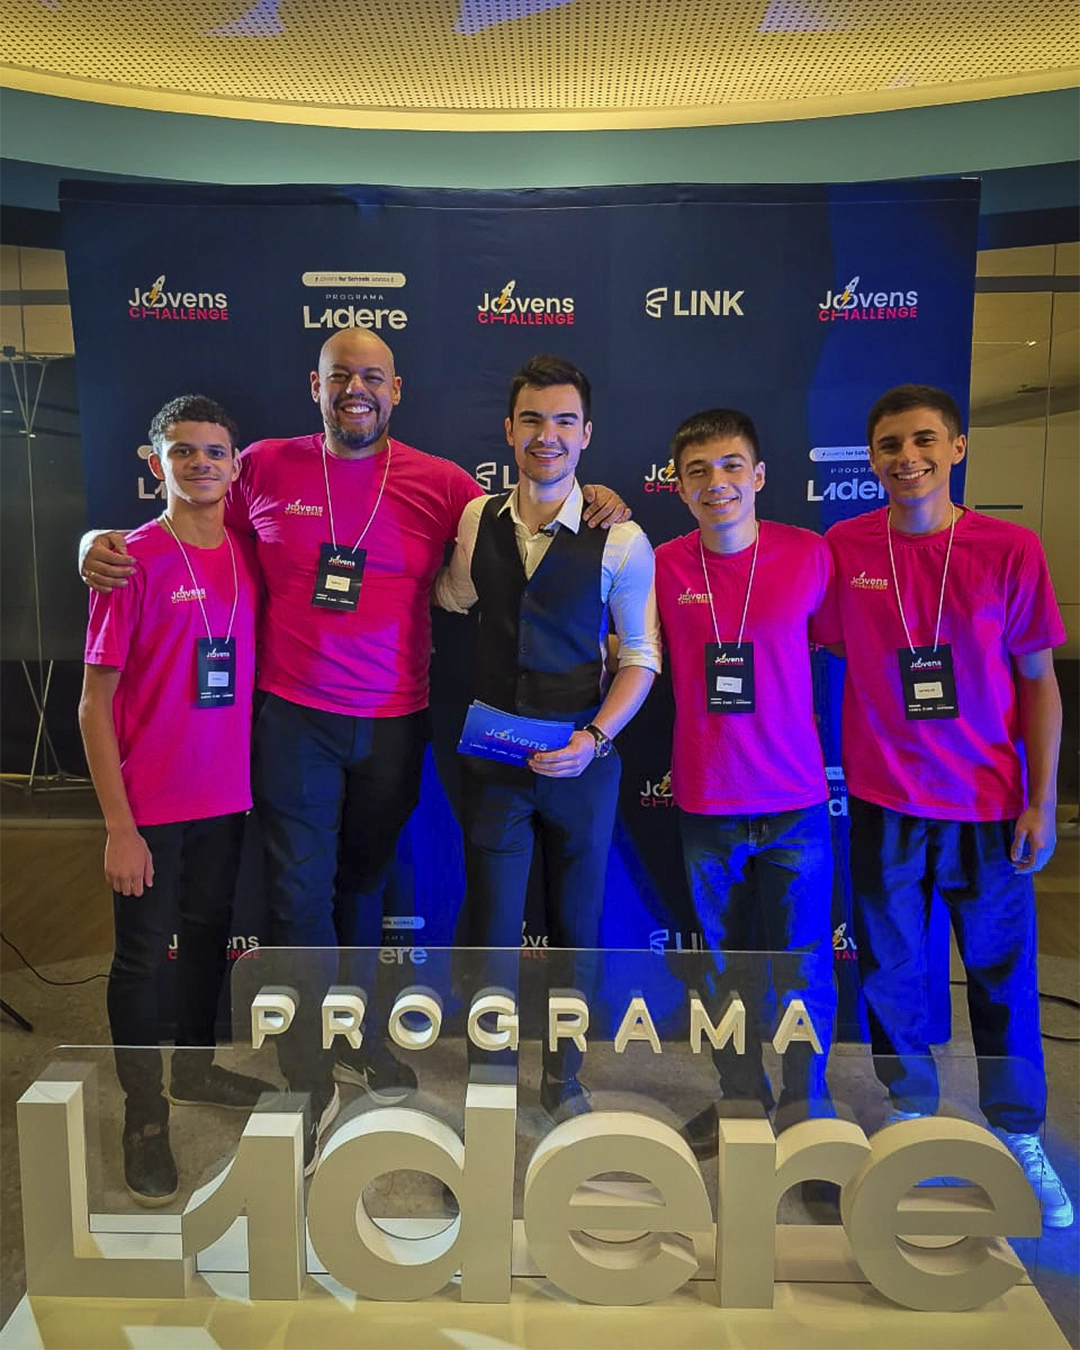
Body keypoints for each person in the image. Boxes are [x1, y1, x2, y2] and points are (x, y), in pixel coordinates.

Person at [81, 330, 627, 1166]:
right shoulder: (263, 464)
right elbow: (184, 513)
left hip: (395, 722)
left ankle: (352, 1033)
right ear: (317, 386)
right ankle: (306, 1075)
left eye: (372, 377)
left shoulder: (443, 485)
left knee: (363, 887)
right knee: (299, 898)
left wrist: (601, 501)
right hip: (293, 720)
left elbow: (527, 508)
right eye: (340, 376)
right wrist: (93, 543)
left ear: (395, 391)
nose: (356, 390)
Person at [819, 383, 1072, 1228]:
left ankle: (1018, 1130)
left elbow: (1040, 684)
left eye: (924, 440)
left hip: (989, 805)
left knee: (1003, 978)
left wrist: (1042, 800)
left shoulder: (1009, 548)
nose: (908, 458)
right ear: (872, 460)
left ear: (957, 447)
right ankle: (910, 1116)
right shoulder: (846, 546)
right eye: (890, 445)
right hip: (885, 801)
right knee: (892, 972)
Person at [435, 354, 660, 1115]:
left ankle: (564, 1078)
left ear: (586, 433)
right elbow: (455, 596)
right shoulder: (476, 520)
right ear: (509, 429)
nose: (547, 435)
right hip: (495, 761)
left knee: (577, 929)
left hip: (583, 761)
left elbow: (641, 657)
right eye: (532, 419)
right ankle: (491, 1077)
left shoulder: (623, 540)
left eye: (564, 421)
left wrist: (593, 737)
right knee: (492, 929)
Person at [79, 395, 273, 1206]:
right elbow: (93, 705)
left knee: (206, 940)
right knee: (137, 962)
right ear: (155, 461)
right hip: (148, 807)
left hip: (224, 798)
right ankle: (144, 1116)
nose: (200, 464)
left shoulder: (249, 549)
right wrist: (118, 827)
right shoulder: (130, 561)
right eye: (183, 451)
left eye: (214, 452)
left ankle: (194, 1071)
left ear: (235, 464)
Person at [653, 408, 836, 1158]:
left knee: (803, 968)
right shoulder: (660, 565)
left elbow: (853, 649)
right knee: (724, 969)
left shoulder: (811, 555)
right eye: (697, 471)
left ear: (759, 476)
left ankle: (806, 1108)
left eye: (731, 466)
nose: (716, 482)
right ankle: (740, 1097)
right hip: (708, 802)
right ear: (678, 486)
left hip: (796, 802)